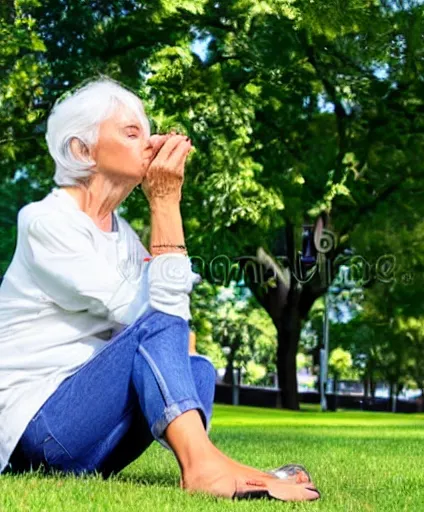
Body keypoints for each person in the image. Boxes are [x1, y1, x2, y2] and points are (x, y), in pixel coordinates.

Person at [0, 78, 320, 502]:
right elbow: (157, 316)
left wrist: (165, 208)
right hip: (39, 430)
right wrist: (166, 202)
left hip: (87, 441)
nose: (149, 142)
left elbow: (175, 321)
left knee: (198, 369)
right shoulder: (45, 221)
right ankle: (203, 467)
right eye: (131, 132)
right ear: (83, 150)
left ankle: (219, 464)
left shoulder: (124, 237)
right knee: (158, 322)